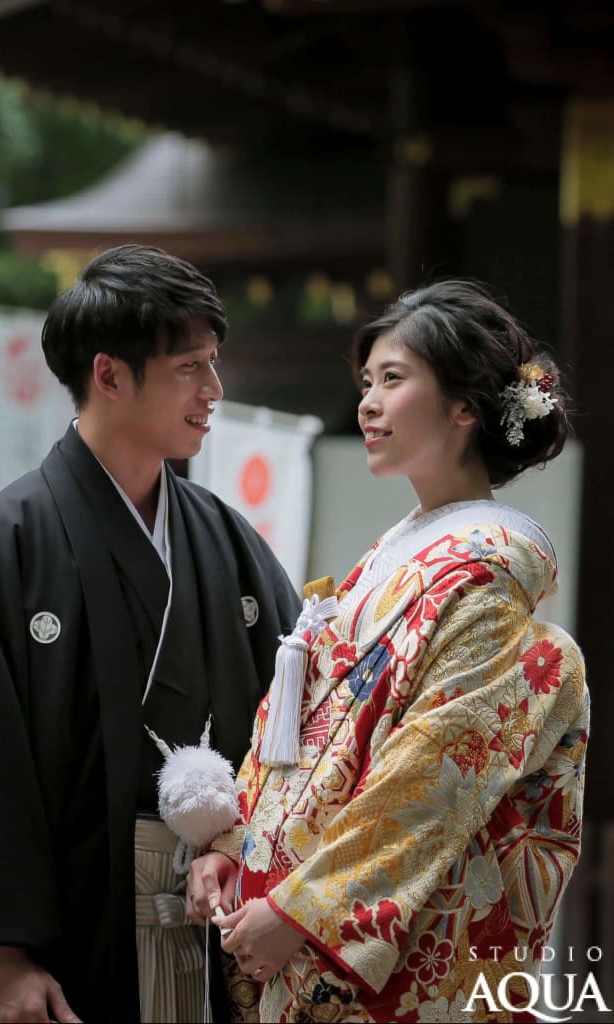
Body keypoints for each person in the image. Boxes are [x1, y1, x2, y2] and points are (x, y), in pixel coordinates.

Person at [0, 243, 301, 1023]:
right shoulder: (9, 540)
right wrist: (1, 954)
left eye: (213, 364)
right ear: (110, 375)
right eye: (189, 367)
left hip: (216, 926)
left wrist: (243, 854)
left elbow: (299, 726)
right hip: (67, 936)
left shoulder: (226, 542)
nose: (213, 390)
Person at [187, 279, 589, 1022]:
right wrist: (234, 845)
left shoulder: (488, 578)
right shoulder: (390, 561)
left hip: (377, 952)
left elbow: (431, 775)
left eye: (393, 380)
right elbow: (295, 733)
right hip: (287, 928)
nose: (368, 402)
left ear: (465, 407)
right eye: (366, 382)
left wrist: (309, 910)